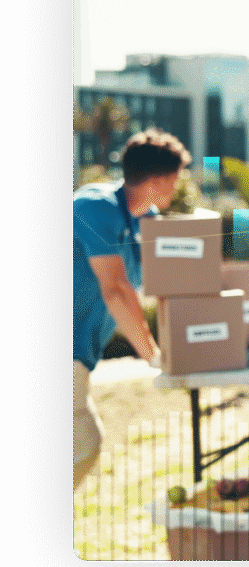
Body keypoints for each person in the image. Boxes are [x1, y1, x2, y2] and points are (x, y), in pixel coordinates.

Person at [73, 129, 191, 490]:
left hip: (81, 352)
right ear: (158, 181)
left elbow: (165, 285)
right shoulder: (95, 206)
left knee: (83, 444)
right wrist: (154, 356)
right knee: (85, 442)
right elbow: (116, 289)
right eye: (174, 180)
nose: (176, 188)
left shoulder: (145, 221)